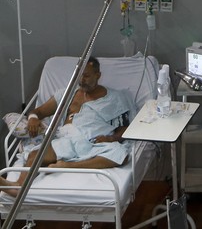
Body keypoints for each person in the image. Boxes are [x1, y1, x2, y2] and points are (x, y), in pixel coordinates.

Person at [0, 58, 136, 194]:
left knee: (120, 153)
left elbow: (124, 129)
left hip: (94, 143)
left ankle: (68, 165)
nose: (82, 80)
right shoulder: (66, 95)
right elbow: (38, 112)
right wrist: (33, 119)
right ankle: (18, 187)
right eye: (79, 75)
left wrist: (110, 139)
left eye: (86, 76)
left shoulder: (114, 98)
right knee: (35, 155)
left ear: (98, 75)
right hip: (67, 141)